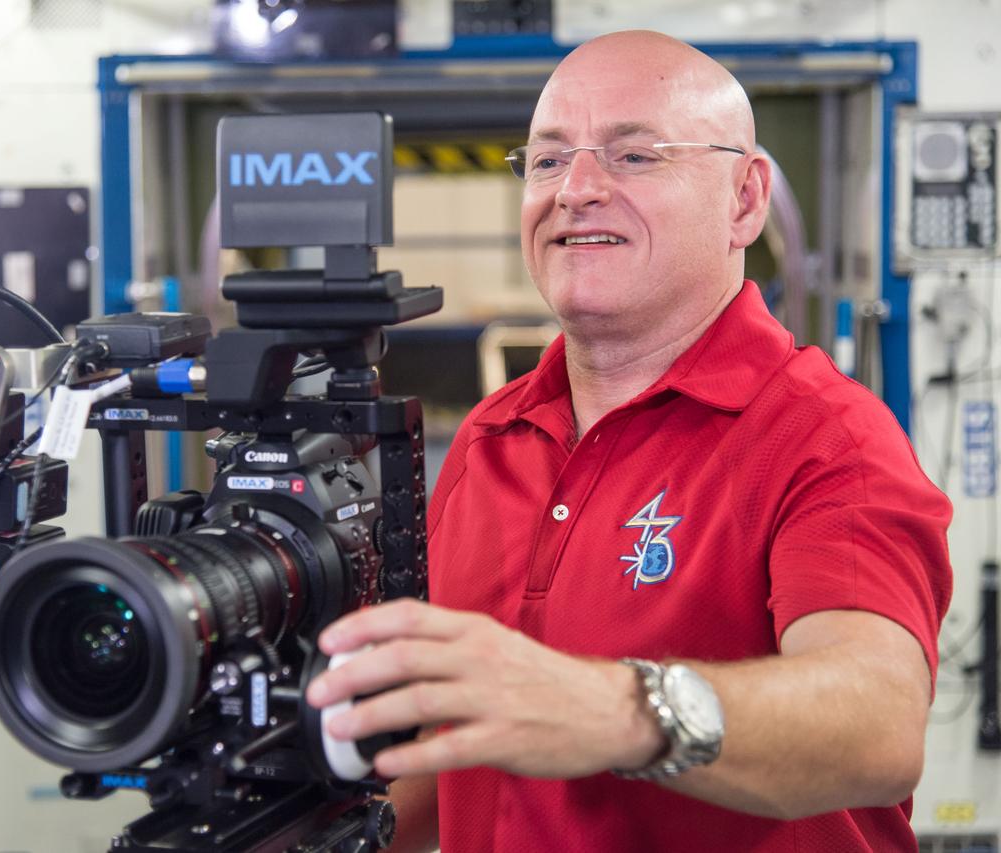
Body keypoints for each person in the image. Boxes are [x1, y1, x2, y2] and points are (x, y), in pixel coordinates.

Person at [305, 29, 953, 853]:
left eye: (634, 156)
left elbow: (876, 726)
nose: (574, 189)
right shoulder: (490, 434)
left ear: (745, 200)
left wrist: (614, 711)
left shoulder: (826, 435)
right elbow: (445, 754)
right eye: (545, 160)